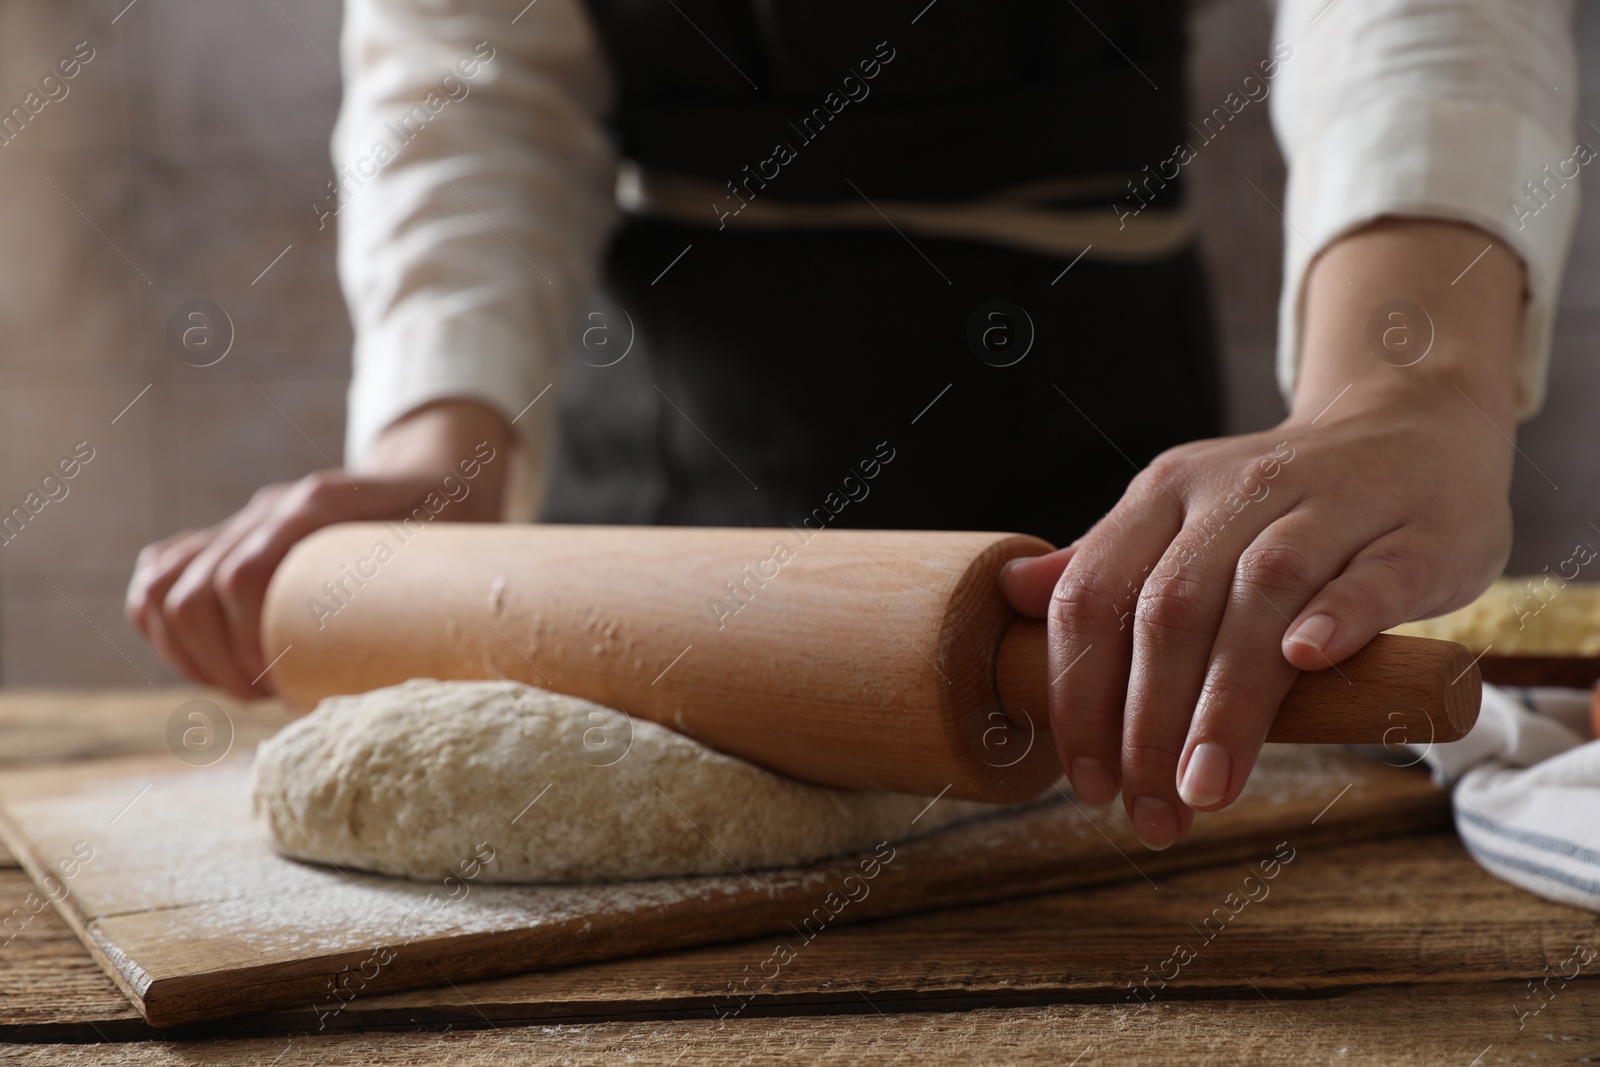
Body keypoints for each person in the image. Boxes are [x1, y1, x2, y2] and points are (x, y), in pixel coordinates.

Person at [126, 0, 1580, 851]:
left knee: (1117, 794)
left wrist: (1410, 382)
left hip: (1099, 451)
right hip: (676, 456)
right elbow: (474, 60)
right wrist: (432, 457)